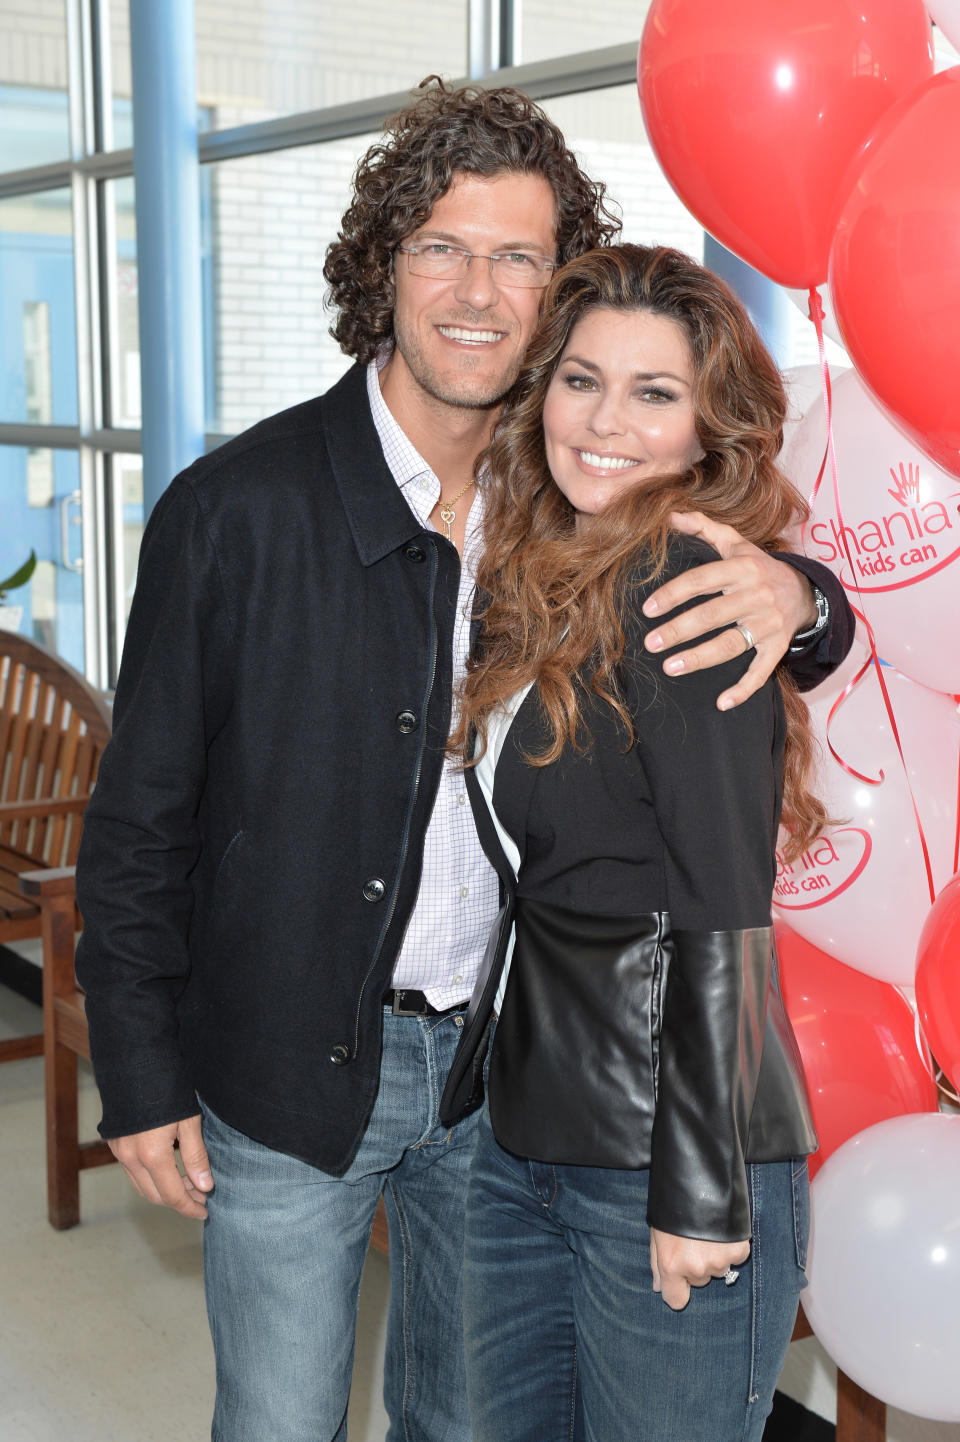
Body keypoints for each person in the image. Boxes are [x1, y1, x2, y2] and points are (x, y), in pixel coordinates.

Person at [74, 80, 852, 1442]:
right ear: (387, 266)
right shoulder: (234, 510)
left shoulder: (570, 503)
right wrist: (138, 1073)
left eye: (520, 256)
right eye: (443, 245)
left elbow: (705, 554)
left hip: (504, 1085)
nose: (479, 289)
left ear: (555, 291)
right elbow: (141, 822)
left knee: (466, 1421)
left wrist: (809, 602)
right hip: (285, 1068)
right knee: (278, 1418)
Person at [440, 243, 826, 1442]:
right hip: (526, 1134)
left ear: (710, 430)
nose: (603, 422)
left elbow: (723, 897)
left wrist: (700, 1187)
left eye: (654, 393)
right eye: (580, 379)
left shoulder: (686, 581)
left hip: (668, 1153)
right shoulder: (546, 568)